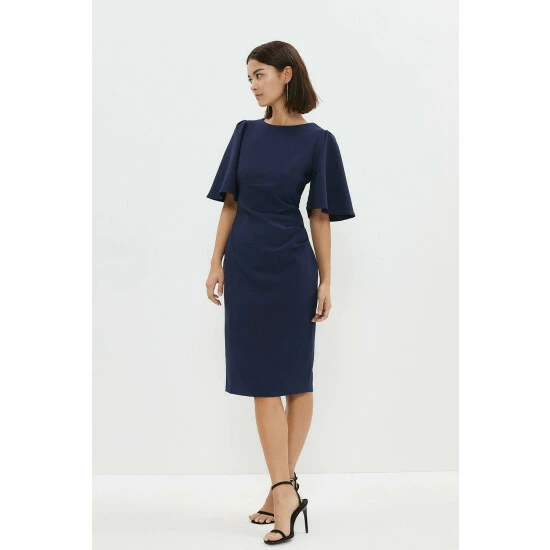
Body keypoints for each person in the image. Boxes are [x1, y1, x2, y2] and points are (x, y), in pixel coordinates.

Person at [205, 40, 355, 544]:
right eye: (249, 77)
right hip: (246, 266)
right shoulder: (245, 133)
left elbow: (320, 214)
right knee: (260, 382)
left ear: (286, 75)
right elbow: (229, 203)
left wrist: (326, 279)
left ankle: (281, 491)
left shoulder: (319, 141)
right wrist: (215, 261)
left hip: (292, 268)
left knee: (295, 379)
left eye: (259, 74)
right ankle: (284, 487)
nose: (252, 85)